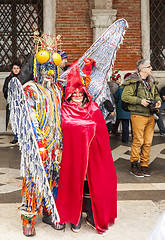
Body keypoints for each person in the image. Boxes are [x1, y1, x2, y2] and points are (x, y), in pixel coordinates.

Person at [8, 33, 64, 236]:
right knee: (34, 180)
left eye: (52, 69)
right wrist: (37, 142)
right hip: (38, 145)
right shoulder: (30, 89)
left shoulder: (57, 90)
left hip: (56, 144)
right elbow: (28, 117)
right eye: (44, 69)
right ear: (36, 69)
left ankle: (50, 212)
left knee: (53, 179)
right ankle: (28, 217)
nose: (49, 73)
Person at [56, 65, 117, 234]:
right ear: (68, 94)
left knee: (90, 186)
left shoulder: (93, 109)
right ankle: (73, 218)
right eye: (73, 93)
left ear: (84, 92)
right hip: (71, 157)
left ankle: (90, 214)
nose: (76, 96)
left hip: (92, 157)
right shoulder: (63, 110)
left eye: (79, 93)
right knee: (71, 186)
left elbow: (102, 136)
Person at [121, 59, 161, 177]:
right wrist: (140, 101)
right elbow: (125, 97)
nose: (151, 69)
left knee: (148, 142)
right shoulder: (133, 81)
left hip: (150, 115)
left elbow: (156, 95)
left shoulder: (151, 81)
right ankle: (134, 165)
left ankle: (144, 165)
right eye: (149, 67)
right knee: (138, 141)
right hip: (138, 114)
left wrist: (158, 101)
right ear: (142, 69)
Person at [2, 61, 21, 144]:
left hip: (22, 103)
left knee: (22, 120)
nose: (16, 70)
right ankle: (16, 137)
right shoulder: (8, 78)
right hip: (12, 103)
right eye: (14, 68)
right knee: (14, 120)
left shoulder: (23, 78)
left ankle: (23, 138)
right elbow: (4, 90)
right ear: (12, 69)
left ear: (20, 69)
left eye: (17, 68)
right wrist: (9, 98)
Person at [110, 71, 131, 142]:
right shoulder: (135, 88)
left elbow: (116, 96)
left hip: (123, 109)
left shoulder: (120, 88)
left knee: (125, 125)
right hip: (133, 109)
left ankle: (125, 139)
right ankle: (135, 139)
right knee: (134, 126)